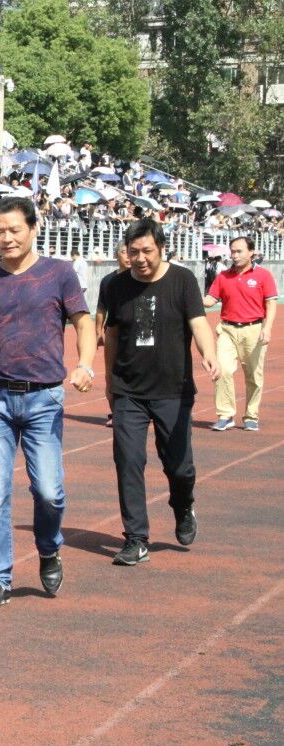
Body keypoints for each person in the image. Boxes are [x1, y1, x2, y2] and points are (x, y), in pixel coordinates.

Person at [0, 196, 96, 610]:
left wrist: (85, 365)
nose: (7, 238)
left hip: (44, 398)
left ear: (34, 228)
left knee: (48, 492)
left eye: (15, 230)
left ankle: (48, 547)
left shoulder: (59, 274)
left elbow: (83, 322)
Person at [103, 219, 219, 566]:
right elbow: (111, 335)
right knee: (128, 461)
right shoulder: (114, 285)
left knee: (179, 467)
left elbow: (199, 323)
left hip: (173, 389)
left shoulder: (182, 280)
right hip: (128, 389)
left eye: (147, 251)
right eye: (133, 252)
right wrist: (109, 381)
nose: (140, 258)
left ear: (162, 248)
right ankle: (136, 539)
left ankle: (183, 506)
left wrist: (209, 354)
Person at [203, 236, 277, 431]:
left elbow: (270, 303)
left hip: (254, 330)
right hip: (227, 329)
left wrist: (267, 328)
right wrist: (190, 296)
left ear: (251, 252)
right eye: (232, 251)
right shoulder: (223, 276)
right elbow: (210, 300)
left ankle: (251, 415)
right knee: (222, 370)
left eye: (239, 251)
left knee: (253, 376)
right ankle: (225, 414)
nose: (234, 255)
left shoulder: (263, 275)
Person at [96, 242, 132, 426]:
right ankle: (116, 412)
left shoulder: (140, 279)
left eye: (130, 252)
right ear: (117, 255)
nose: (128, 257)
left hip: (134, 335)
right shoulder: (108, 281)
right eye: (124, 252)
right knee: (111, 374)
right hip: (113, 333)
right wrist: (98, 331)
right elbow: (101, 307)